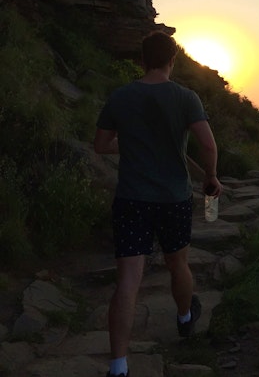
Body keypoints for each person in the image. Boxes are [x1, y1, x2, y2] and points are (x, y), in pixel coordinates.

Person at [94, 31, 223, 377]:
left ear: (141, 60)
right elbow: (208, 146)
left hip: (131, 198)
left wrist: (134, 143)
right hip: (173, 198)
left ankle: (118, 366)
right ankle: (184, 318)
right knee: (177, 263)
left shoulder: (121, 96)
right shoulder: (185, 97)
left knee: (128, 280)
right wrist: (210, 177)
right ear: (172, 60)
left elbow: (101, 145)